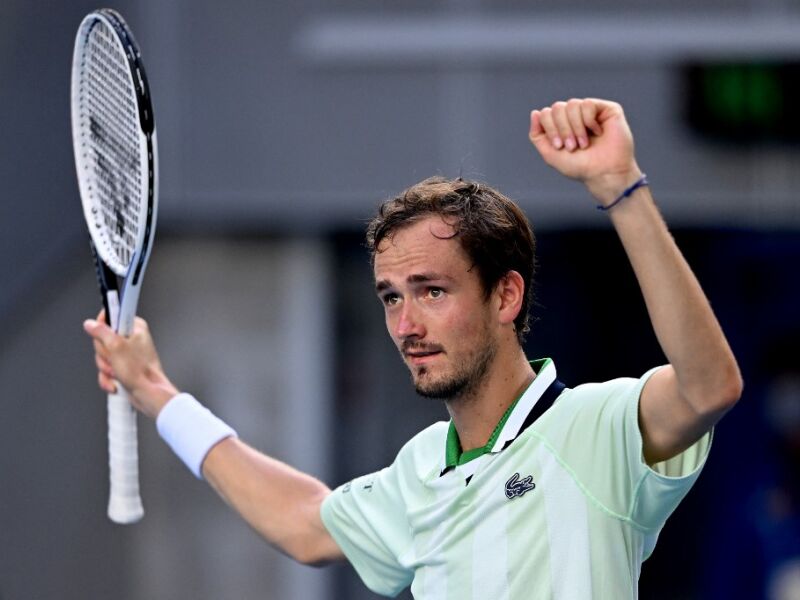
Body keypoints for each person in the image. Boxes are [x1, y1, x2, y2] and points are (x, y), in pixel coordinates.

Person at [84, 98, 742, 598]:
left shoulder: (599, 428)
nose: (405, 324)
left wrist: (620, 188)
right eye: (392, 296)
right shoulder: (419, 469)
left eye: (431, 290)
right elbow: (306, 522)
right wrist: (159, 395)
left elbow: (709, 386)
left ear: (505, 297)